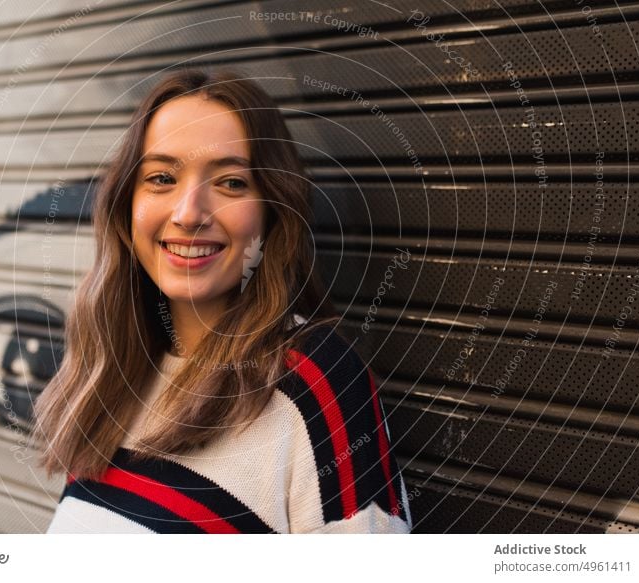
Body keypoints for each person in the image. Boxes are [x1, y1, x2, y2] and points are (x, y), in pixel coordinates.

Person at [30, 67, 412, 533]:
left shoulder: (312, 383)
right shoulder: (114, 371)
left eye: (231, 183)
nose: (189, 214)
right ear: (126, 204)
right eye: (161, 178)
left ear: (272, 212)